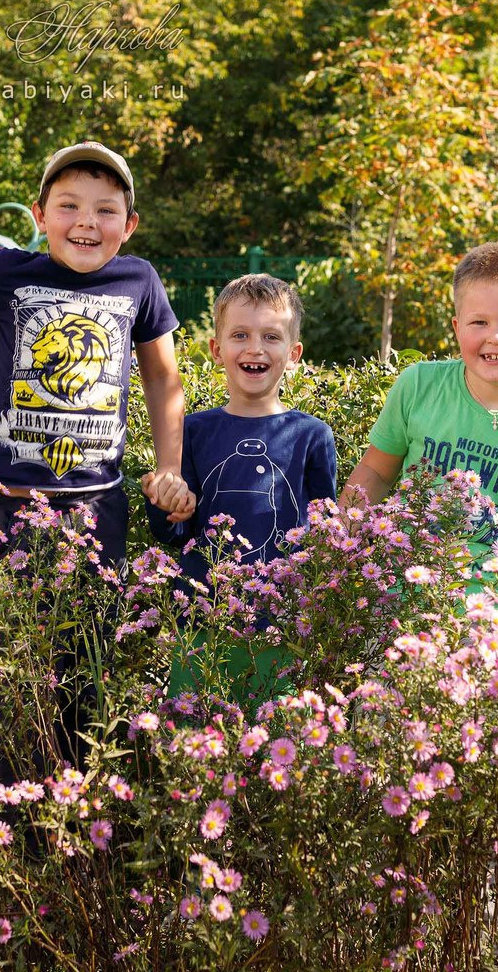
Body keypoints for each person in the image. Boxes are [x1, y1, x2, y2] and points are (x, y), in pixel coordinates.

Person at [0, 139, 192, 572]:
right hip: (2, 503)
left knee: (92, 634)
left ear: (129, 225)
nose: (87, 222)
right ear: (39, 215)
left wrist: (169, 467)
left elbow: (162, 378)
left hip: (97, 508)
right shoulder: (6, 271)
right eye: (69, 206)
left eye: (106, 211)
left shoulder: (140, 280)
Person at [340, 241, 498, 620]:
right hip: (401, 604)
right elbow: (375, 471)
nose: (496, 336)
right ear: (457, 327)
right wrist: (340, 544)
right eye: (479, 322)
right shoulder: (418, 386)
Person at [144, 273, 337, 708]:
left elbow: (325, 537)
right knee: (194, 742)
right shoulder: (190, 431)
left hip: (280, 628)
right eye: (240, 335)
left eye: (271, 336)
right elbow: (172, 533)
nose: (255, 348)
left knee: (273, 750)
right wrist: (165, 503)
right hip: (200, 625)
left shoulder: (311, 436)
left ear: (294, 354)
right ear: (217, 350)